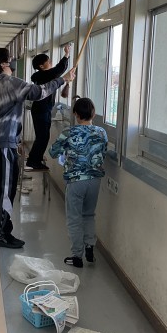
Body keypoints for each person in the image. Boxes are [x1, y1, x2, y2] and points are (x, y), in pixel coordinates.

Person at [0, 48, 76, 248]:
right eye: (10, 61)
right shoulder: (9, 82)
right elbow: (38, 92)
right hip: (4, 145)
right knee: (6, 190)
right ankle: (1, 233)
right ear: (3, 65)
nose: (12, 65)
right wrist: (62, 79)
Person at [49, 97, 107, 268]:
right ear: (93, 114)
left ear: (75, 114)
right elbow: (103, 152)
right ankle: (90, 248)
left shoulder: (69, 132)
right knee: (89, 215)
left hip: (76, 181)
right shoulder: (101, 132)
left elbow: (53, 152)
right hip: (95, 180)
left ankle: (77, 256)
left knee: (74, 218)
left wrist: (66, 151)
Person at [26, 44, 71, 170]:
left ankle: (35, 158)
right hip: (41, 110)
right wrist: (66, 54)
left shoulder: (43, 76)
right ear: (41, 66)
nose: (51, 62)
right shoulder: (44, 75)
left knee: (43, 136)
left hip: (42, 109)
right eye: (48, 61)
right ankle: (33, 161)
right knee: (42, 137)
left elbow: (57, 71)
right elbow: (58, 70)